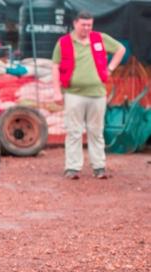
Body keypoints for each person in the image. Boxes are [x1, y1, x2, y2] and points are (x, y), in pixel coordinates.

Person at [52, 10, 125, 180]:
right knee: (73, 131)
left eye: (89, 25)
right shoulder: (63, 42)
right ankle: (72, 167)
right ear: (75, 23)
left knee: (96, 131)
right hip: (73, 93)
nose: (86, 28)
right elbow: (55, 66)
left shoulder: (99, 38)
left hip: (97, 93)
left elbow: (120, 49)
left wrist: (110, 69)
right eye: (83, 25)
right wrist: (56, 90)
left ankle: (99, 167)